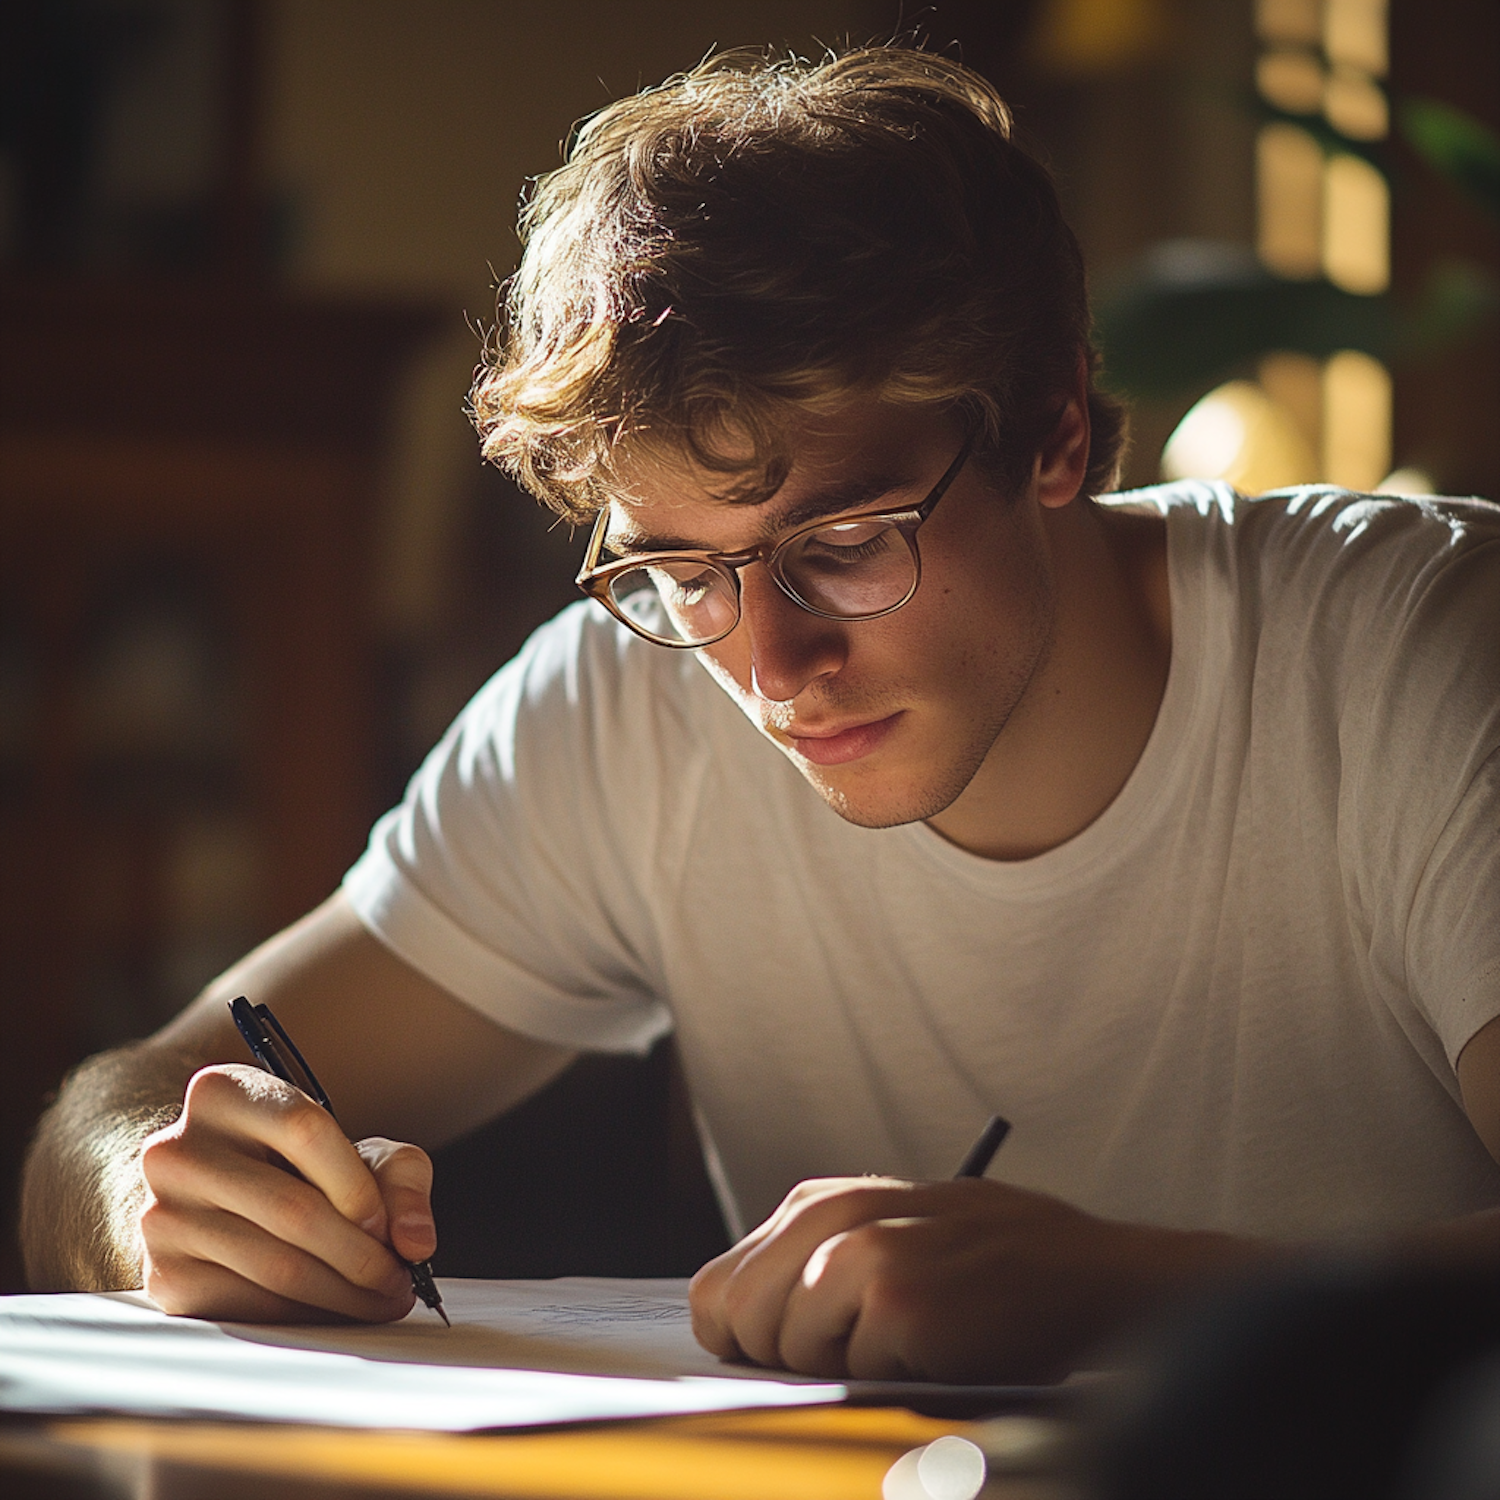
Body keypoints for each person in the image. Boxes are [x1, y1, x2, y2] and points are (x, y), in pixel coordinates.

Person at [19, 45, 1500, 1385]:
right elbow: (112, 1106)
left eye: (844, 545)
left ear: (1052, 425)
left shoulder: (1416, 650)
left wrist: (1130, 1295)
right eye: (677, 568)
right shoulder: (638, 698)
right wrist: (158, 1202)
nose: (769, 663)